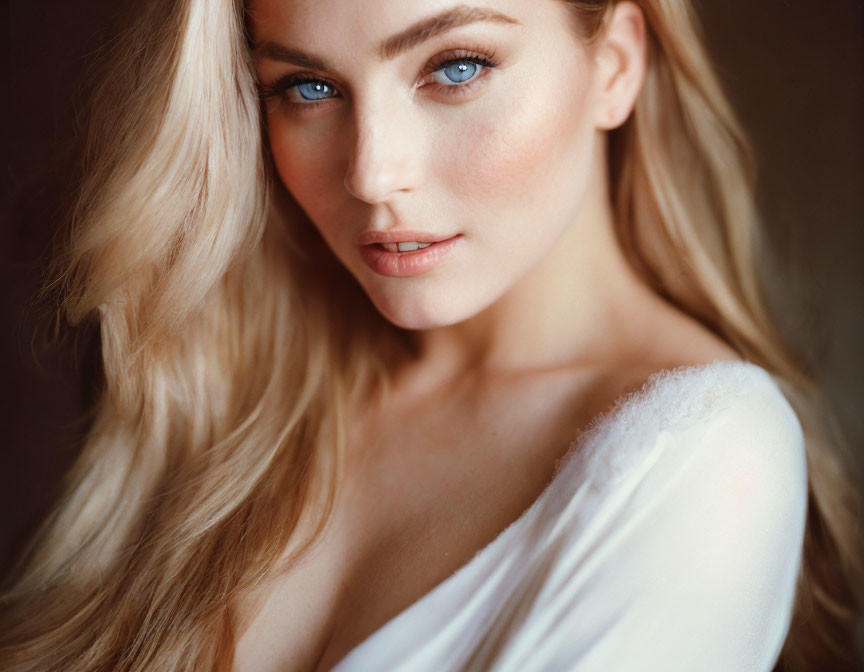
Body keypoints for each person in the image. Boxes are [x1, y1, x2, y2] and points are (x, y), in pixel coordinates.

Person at [1, 0, 861, 670]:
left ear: (614, 66)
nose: (373, 172)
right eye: (309, 87)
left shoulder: (703, 455)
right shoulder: (224, 391)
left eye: (455, 67)